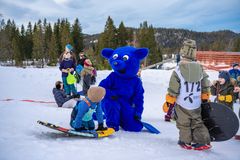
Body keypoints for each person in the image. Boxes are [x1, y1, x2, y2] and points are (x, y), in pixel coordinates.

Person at [163, 39, 211, 150]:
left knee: (183, 123)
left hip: (182, 103)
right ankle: (203, 141)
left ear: (182, 52)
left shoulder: (178, 70)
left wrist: (169, 101)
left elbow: (173, 88)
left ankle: (185, 142)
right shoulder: (200, 69)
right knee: (197, 122)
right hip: (196, 103)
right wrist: (205, 97)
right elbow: (205, 84)